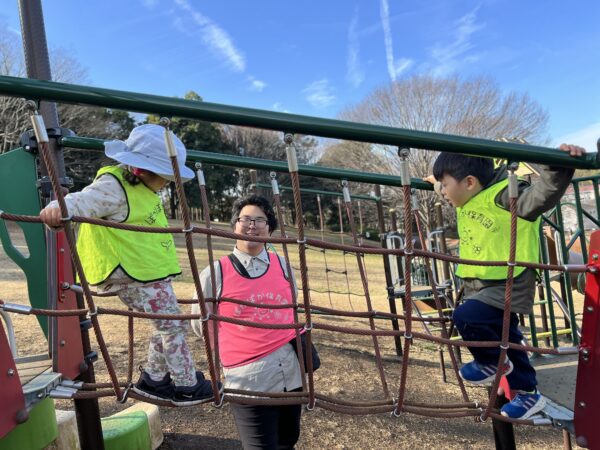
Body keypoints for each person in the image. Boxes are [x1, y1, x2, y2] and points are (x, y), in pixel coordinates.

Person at [40, 124, 219, 406]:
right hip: (131, 273)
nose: (167, 183)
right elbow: (83, 200)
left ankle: (154, 380)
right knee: (173, 326)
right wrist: (59, 208)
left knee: (167, 325)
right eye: (164, 177)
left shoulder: (143, 190)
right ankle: (187, 385)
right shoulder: (113, 186)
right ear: (141, 170)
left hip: (147, 273)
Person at [429, 144, 585, 420]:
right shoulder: (467, 197)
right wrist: (435, 181)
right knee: (509, 339)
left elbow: (542, 196)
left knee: (465, 317)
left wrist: (557, 165)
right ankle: (528, 393)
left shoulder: (507, 195)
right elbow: (449, 189)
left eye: (444, 184)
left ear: (469, 182)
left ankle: (491, 362)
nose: (442, 192)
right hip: (480, 284)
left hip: (510, 282)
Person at [191, 194, 310, 450]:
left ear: (270, 227)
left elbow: (292, 306)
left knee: (288, 441)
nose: (252, 226)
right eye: (245, 219)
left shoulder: (283, 265)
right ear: (235, 225)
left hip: (290, 374)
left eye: (260, 220)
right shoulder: (215, 272)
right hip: (248, 380)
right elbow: (200, 323)